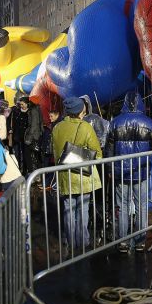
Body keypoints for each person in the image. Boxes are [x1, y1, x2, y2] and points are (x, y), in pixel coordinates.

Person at [105, 91, 152, 253]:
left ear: (124, 103)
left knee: (122, 206)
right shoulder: (148, 123)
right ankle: (140, 241)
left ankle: (123, 242)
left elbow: (108, 149)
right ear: (140, 103)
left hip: (120, 172)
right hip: (142, 171)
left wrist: (110, 169)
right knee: (142, 206)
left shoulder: (115, 123)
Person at [52, 96, 102, 252]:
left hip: (64, 175)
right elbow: (97, 154)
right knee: (83, 210)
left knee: (68, 210)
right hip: (82, 176)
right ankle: (83, 242)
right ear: (81, 110)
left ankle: (71, 242)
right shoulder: (85, 127)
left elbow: (55, 153)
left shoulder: (57, 127)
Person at [9, 96, 43, 175]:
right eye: (20, 104)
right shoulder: (19, 112)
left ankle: (31, 173)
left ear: (28, 103)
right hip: (23, 136)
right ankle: (29, 172)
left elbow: (33, 125)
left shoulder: (33, 111)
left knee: (30, 155)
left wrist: (29, 137)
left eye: (22, 104)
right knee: (27, 155)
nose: (21, 106)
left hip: (30, 137)